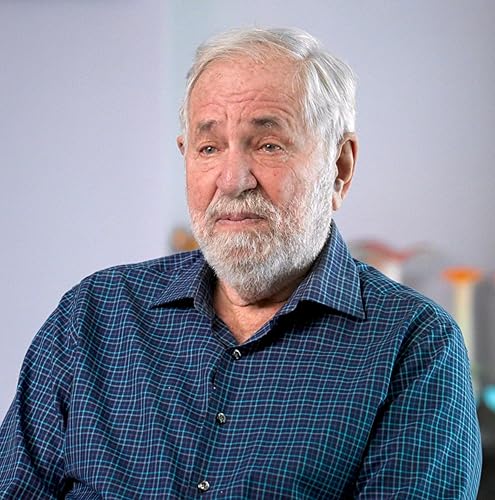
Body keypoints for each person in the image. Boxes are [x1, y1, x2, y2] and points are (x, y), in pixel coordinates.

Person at [0, 27, 481, 498]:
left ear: (340, 168)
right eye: (209, 148)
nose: (232, 180)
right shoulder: (93, 315)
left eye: (268, 145)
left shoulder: (415, 345)